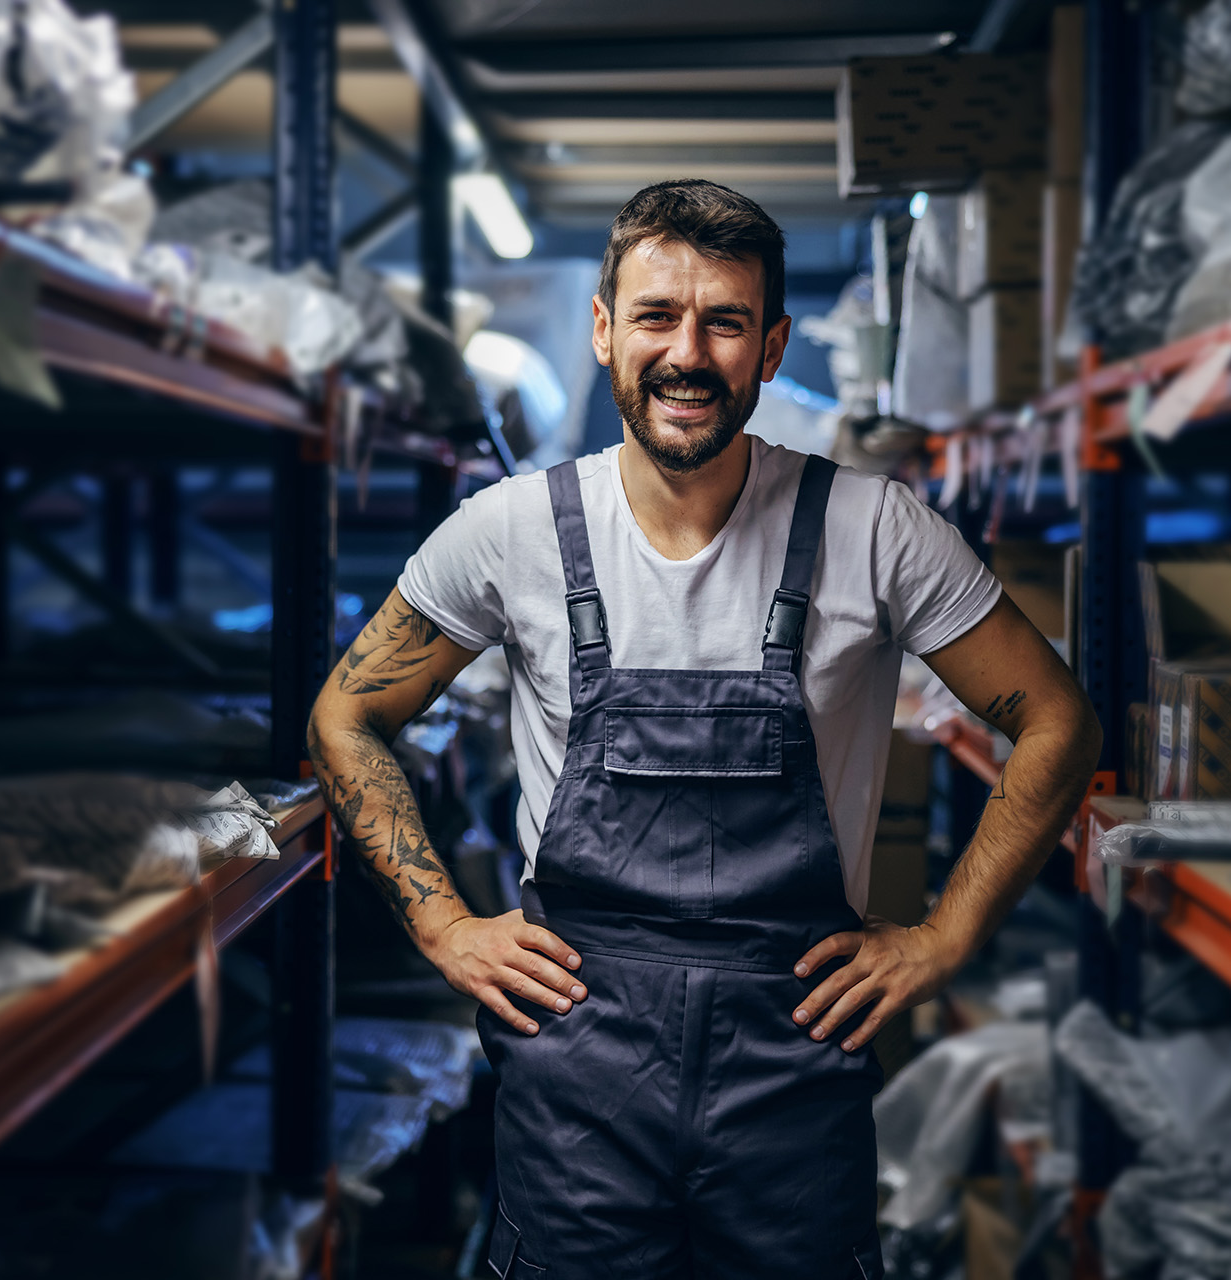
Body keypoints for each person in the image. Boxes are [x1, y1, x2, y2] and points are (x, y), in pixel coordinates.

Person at [308, 179, 1101, 1280]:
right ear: (602, 330)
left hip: (793, 1069)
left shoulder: (876, 530)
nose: (688, 353)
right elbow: (346, 713)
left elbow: (1056, 717)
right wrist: (446, 927)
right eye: (656, 316)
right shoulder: (509, 531)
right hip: (577, 1068)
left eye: (725, 321)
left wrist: (945, 935)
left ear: (771, 346)